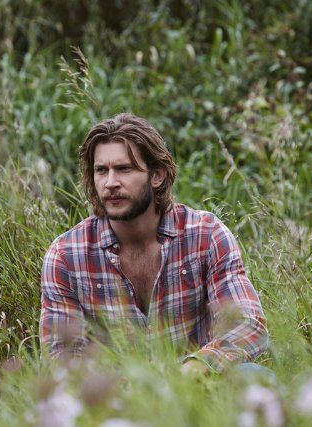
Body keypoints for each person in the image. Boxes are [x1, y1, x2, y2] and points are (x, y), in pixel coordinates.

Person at [39, 113, 268, 375]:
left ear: (157, 175)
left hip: (201, 389)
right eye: (101, 170)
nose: (110, 182)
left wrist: (196, 366)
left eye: (124, 169)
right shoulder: (66, 255)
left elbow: (249, 325)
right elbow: (62, 357)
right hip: (116, 404)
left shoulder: (206, 235)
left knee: (255, 376)